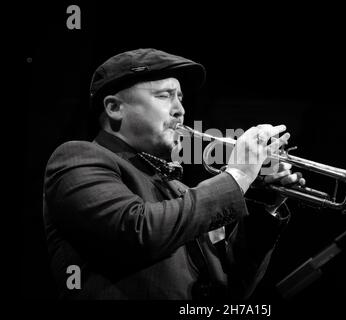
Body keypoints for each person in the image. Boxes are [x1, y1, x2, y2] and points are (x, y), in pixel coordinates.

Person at [43, 48, 303, 300]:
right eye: (164, 96)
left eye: (180, 97)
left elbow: (232, 290)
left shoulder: (177, 189)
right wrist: (238, 176)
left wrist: (263, 205)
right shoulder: (77, 158)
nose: (180, 109)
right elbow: (137, 232)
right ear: (114, 107)